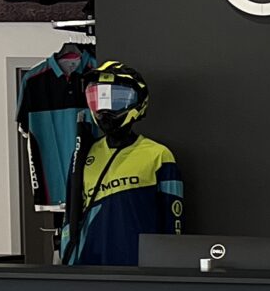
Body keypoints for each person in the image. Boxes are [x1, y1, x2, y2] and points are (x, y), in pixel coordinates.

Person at [59, 60, 185, 265]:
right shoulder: (82, 154)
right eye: (99, 98)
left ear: (138, 103)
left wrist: (169, 267)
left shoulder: (158, 155)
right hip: (88, 263)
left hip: (139, 267)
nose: (105, 109)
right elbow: (70, 216)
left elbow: (173, 223)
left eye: (117, 100)